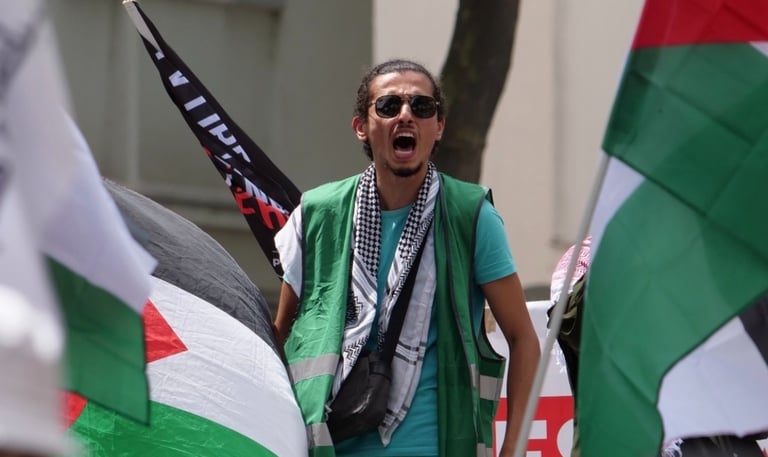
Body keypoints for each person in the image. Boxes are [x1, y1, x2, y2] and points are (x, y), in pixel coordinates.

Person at [272, 59, 539, 457]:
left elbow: (524, 340)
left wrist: (512, 450)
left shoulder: (472, 215)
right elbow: (280, 337)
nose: (406, 115)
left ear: (439, 127)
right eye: (389, 106)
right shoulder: (318, 213)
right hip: (327, 446)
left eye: (422, 106)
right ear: (361, 126)